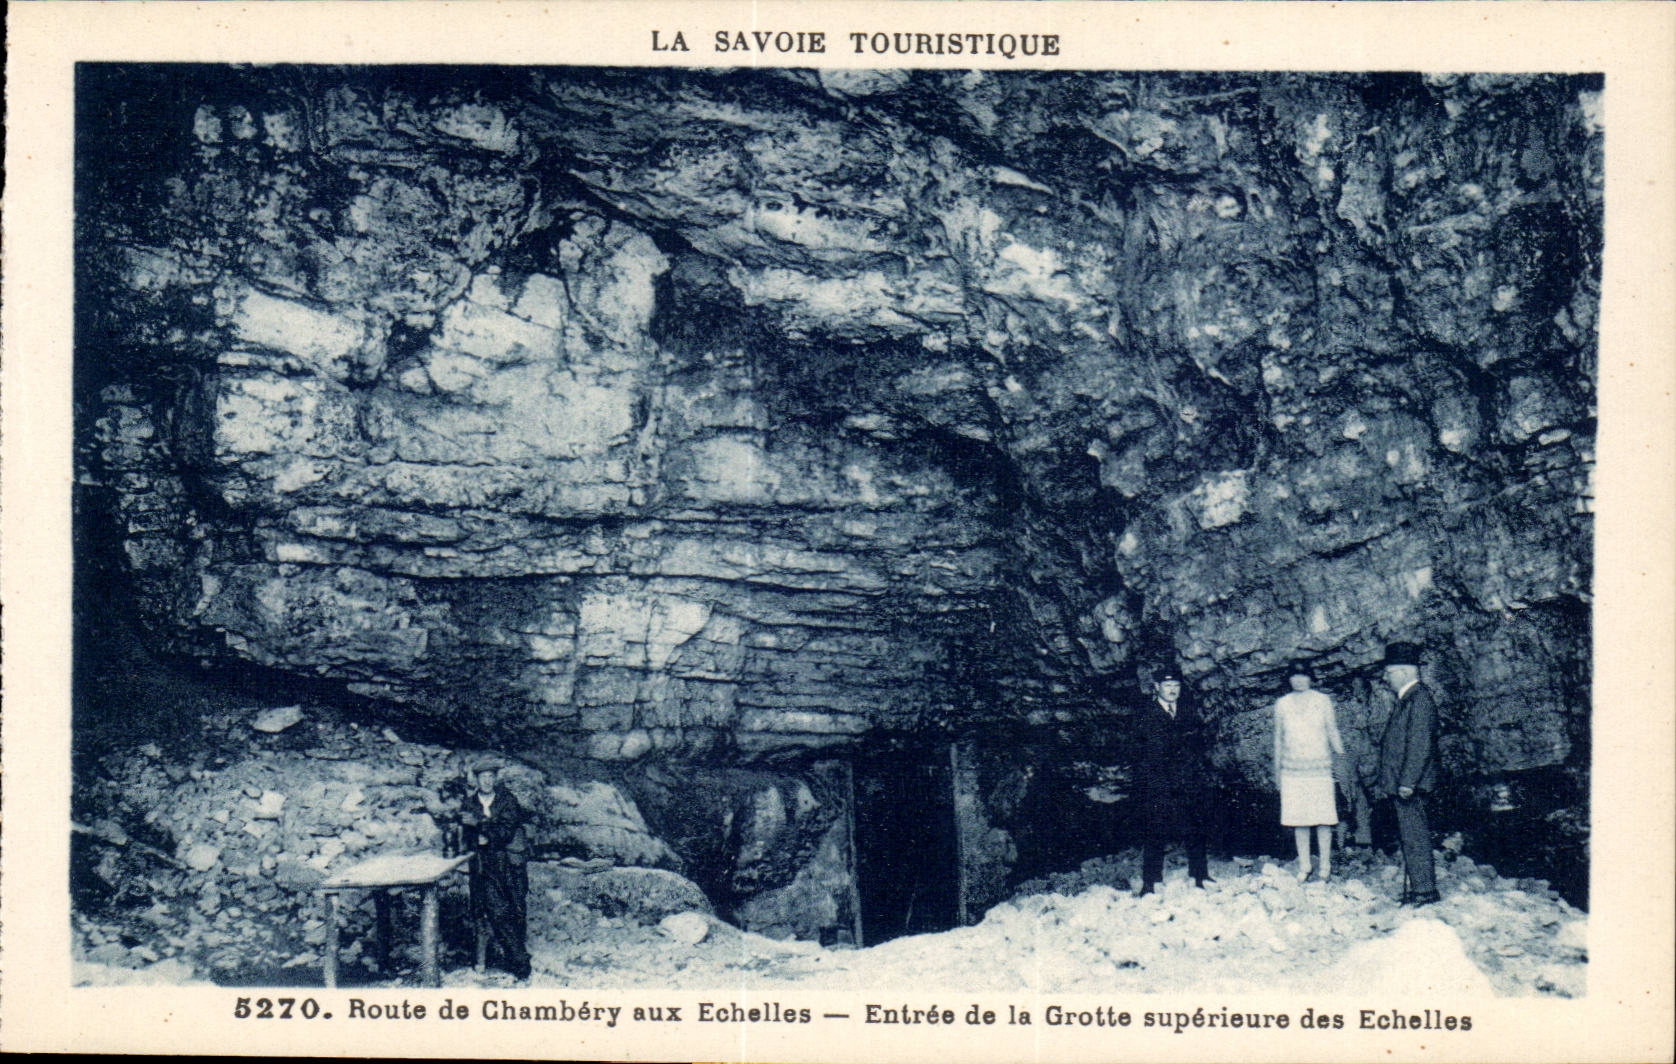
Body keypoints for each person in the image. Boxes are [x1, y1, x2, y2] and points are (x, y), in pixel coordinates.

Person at [1133, 666, 1213, 895]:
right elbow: (1140, 752)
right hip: (1159, 782)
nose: (1172, 690)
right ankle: (1150, 881)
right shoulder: (1146, 713)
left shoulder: (1188, 712)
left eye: (1176, 685)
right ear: (1156, 687)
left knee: (1195, 826)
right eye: (1167, 685)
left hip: (1186, 780)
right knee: (1155, 830)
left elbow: (1199, 744)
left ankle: (1200, 875)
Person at [1375, 642, 1440, 906]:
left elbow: (1420, 744)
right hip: (1406, 783)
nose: (1385, 678)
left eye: (1389, 672)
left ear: (1403, 671)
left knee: (1415, 836)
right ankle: (1419, 888)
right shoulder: (1410, 699)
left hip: (1411, 784)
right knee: (1410, 835)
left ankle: (1425, 891)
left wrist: (1407, 782)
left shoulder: (1418, 699)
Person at [461, 761, 532, 979]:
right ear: (476, 780)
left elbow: (506, 831)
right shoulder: (469, 803)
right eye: (483, 777)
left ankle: (515, 955)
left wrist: (480, 825)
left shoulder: (507, 800)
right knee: (496, 909)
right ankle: (520, 963)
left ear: (495, 779)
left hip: (510, 864)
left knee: (517, 909)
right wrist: (477, 834)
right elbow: (468, 836)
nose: (487, 781)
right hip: (485, 866)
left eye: (491, 776)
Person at [1273, 667, 1345, 882]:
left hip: (1320, 769)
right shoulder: (1282, 703)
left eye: (1303, 675)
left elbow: (1332, 730)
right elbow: (1278, 739)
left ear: (1310, 678)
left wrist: (1342, 759)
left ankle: (1325, 865)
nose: (1299, 680)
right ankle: (1304, 865)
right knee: (1299, 820)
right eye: (1294, 676)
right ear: (1289, 679)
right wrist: (1277, 771)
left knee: (1323, 819)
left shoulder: (1323, 700)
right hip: (1292, 771)